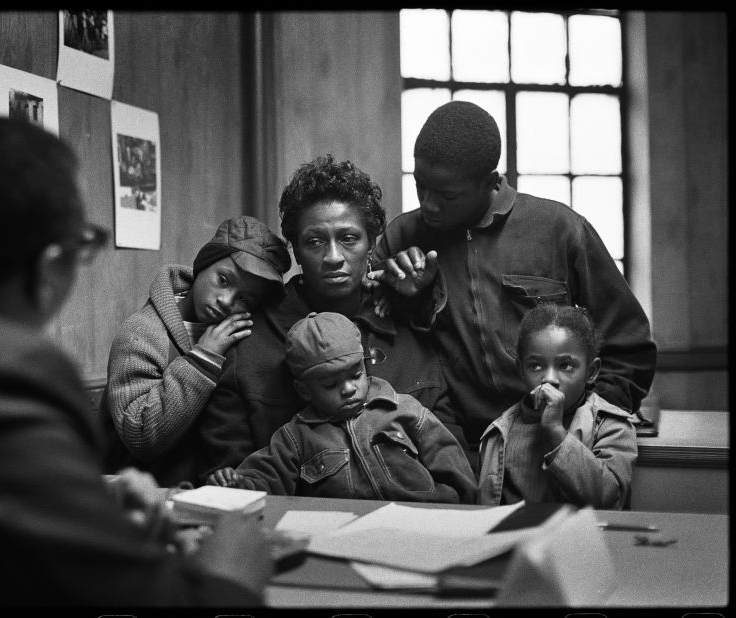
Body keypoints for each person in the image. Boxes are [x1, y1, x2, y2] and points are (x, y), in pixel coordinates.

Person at [0, 116, 272, 607]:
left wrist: (87, 501)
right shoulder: (5, 376)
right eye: (82, 247)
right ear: (49, 265)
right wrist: (230, 578)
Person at [368, 100, 657, 466]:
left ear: (490, 182)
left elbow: (629, 348)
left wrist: (586, 423)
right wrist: (411, 299)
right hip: (455, 453)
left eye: (447, 195)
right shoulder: (402, 239)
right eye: (420, 186)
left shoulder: (560, 230)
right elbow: (382, 348)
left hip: (554, 446)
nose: (429, 204)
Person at [199, 154, 452, 479]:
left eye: (348, 239)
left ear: (371, 244)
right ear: (296, 250)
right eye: (315, 242)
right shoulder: (251, 338)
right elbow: (227, 472)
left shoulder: (407, 324)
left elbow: (448, 446)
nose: (333, 257)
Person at [207, 312, 477, 503]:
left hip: (423, 524)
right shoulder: (295, 438)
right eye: (329, 384)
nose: (348, 388)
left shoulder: (406, 410)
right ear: (304, 390)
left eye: (355, 374)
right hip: (338, 534)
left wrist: (462, 512)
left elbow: (451, 463)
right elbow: (265, 479)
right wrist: (238, 486)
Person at [102, 215, 291, 487]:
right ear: (203, 265)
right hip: (141, 500)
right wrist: (203, 358)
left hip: (206, 494)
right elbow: (141, 435)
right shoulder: (141, 333)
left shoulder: (239, 336)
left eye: (245, 298)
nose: (226, 301)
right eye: (224, 280)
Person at [477, 303, 638, 509]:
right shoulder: (499, 433)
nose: (549, 378)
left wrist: (555, 431)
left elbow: (608, 499)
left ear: (591, 372)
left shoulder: (611, 426)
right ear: (521, 370)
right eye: (535, 366)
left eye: (565, 366)